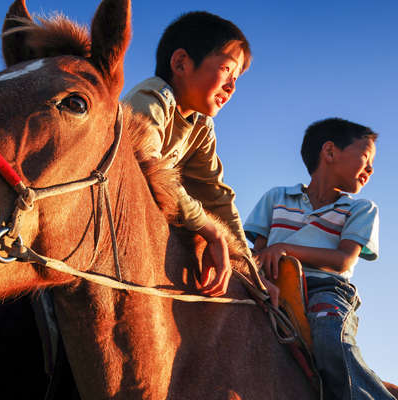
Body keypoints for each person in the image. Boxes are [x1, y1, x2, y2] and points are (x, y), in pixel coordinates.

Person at [244, 118, 394, 400]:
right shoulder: (276, 198)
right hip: (271, 285)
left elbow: (343, 261)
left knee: (329, 335)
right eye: (366, 157)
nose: (371, 169)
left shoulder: (360, 209)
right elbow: (260, 253)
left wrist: (286, 249)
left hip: (325, 289)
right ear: (329, 152)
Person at [122, 11, 252, 297]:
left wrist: (248, 267)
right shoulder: (154, 94)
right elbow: (145, 160)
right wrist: (208, 227)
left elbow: (216, 196)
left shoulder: (202, 127)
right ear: (181, 62)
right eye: (227, 69)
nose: (231, 86)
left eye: (236, 78)